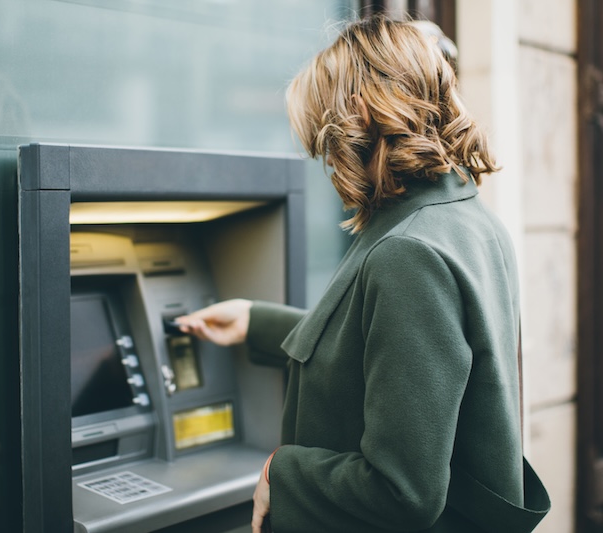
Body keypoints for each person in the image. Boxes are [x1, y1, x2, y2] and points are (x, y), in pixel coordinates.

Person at [176, 14, 550, 533]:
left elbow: (402, 491)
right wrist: (255, 321)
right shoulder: (467, 221)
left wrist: (280, 473)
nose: (328, 163)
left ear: (357, 123)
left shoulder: (408, 253)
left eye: (325, 142)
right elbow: (386, 352)